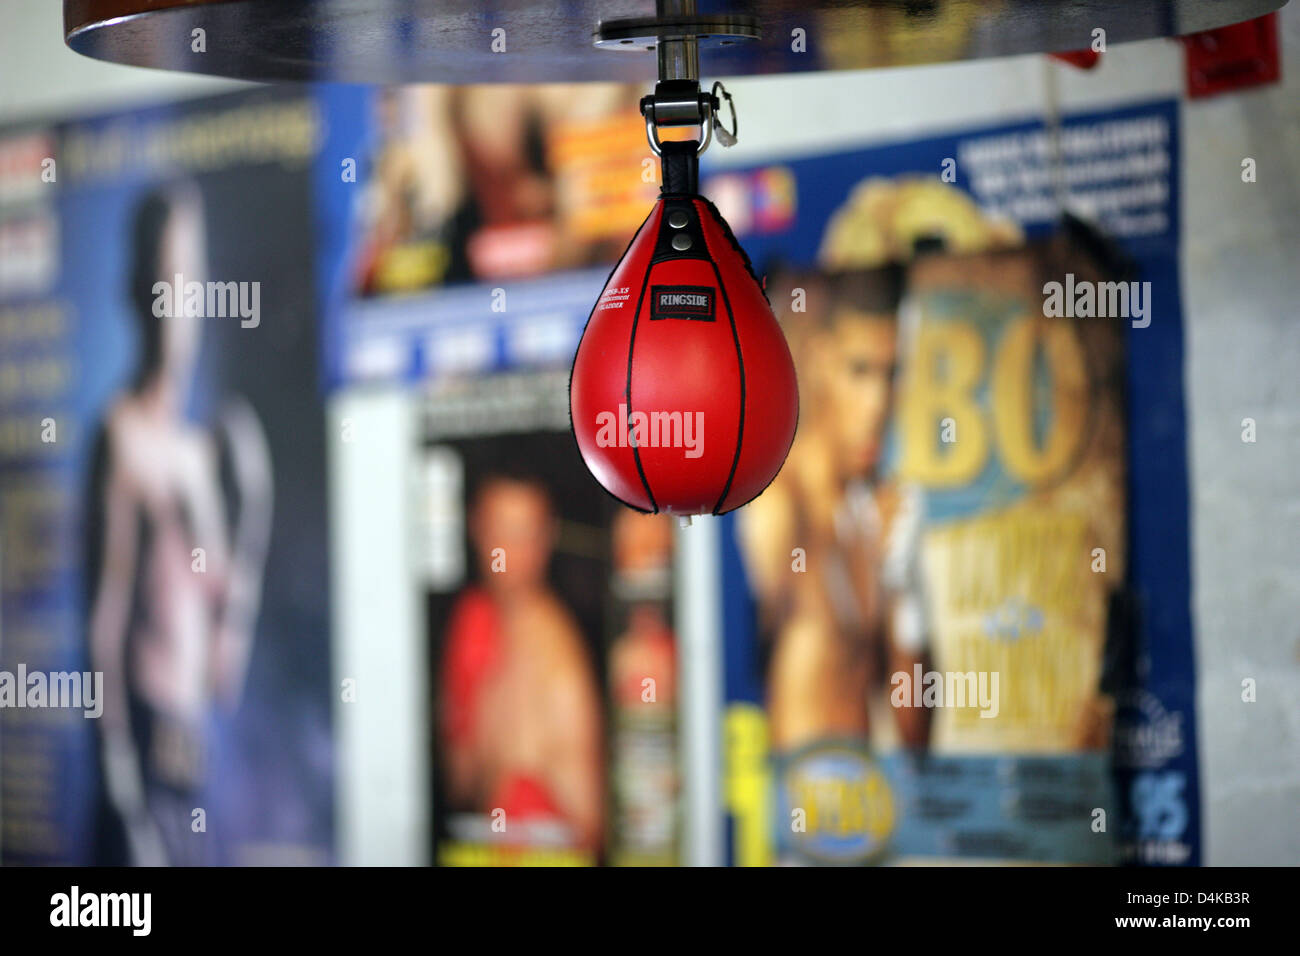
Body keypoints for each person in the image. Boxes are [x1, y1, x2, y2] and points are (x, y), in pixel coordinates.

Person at [85, 184, 272, 865]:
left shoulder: (202, 457)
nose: (177, 309)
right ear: (138, 289)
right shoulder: (122, 439)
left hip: (200, 761)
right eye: (164, 282)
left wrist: (249, 525)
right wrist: (119, 785)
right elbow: (103, 627)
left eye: (189, 284)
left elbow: (225, 669)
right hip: (144, 758)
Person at [739, 266, 930, 753]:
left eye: (892, 374)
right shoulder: (778, 502)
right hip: (802, 815)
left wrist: (907, 597)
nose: (878, 405)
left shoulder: (869, 514)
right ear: (822, 362)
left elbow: (914, 736)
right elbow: (760, 659)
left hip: (869, 812)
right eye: (860, 370)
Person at [438, 473, 603, 853]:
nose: (511, 552)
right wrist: (463, 703)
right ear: (476, 528)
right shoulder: (477, 623)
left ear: (547, 537)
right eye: (501, 531)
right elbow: (460, 787)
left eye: (525, 533)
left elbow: (593, 832)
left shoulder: (559, 664)